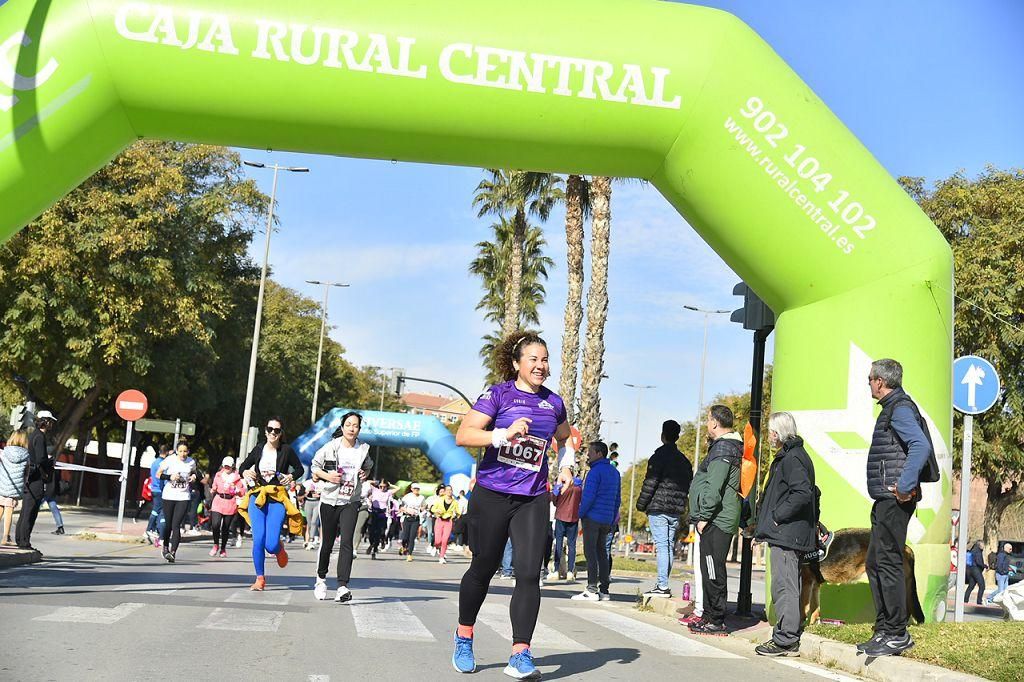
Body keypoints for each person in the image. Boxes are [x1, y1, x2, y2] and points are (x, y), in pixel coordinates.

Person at [451, 332, 574, 679]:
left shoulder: (554, 403)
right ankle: (464, 634)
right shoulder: (498, 394)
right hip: (491, 493)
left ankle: (521, 652)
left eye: (545, 359)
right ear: (518, 363)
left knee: (529, 573)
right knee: (483, 567)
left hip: (532, 497)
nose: (540, 365)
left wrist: (566, 465)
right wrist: (503, 435)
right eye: (533, 359)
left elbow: (565, 440)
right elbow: (465, 434)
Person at [860, 359, 936, 657]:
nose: (868, 383)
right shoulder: (892, 408)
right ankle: (883, 630)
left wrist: (904, 486)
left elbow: (920, 446)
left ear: (881, 381)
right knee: (874, 563)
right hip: (886, 499)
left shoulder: (900, 408)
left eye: (870, 379)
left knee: (888, 562)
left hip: (895, 499)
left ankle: (896, 633)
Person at [753, 412, 817, 657]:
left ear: (778, 433)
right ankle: (786, 635)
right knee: (787, 584)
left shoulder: (792, 458)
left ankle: (786, 640)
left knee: (784, 585)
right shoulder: (792, 456)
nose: (768, 436)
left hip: (787, 532)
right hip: (785, 531)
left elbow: (802, 493)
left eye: (770, 431)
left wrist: (777, 517)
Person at [688, 404, 742, 636]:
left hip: (716, 520)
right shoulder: (724, 447)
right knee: (709, 568)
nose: (707, 424)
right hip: (716, 518)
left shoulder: (723, 450)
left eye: (708, 419)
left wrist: (703, 516)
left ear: (714, 423)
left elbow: (715, 487)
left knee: (713, 570)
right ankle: (709, 615)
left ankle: (716, 619)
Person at [310, 411, 373, 603]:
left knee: (346, 542)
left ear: (359, 429)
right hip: (329, 500)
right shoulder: (331, 447)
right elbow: (314, 466)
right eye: (348, 424)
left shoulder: (363, 449)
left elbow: (369, 466)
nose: (352, 428)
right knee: (327, 543)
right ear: (342, 426)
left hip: (350, 501)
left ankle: (342, 586)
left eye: (355, 425)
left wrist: (365, 473)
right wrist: (328, 477)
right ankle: (321, 580)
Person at [237, 416, 304, 591]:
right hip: (257, 496)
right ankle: (260, 578)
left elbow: (300, 469)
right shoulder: (259, 448)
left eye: (277, 430)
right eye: (270, 429)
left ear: (281, 433)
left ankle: (279, 549)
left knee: (271, 544)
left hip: (277, 497)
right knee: (258, 539)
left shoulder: (286, 450)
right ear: (265, 431)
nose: (273, 433)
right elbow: (243, 467)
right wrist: (245, 473)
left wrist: (291, 477)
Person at [637, 419, 693, 598]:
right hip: (676, 510)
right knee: (668, 547)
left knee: (662, 547)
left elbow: (650, 483)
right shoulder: (684, 461)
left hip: (659, 508)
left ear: (663, 435)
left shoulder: (658, 457)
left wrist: (641, 504)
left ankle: (662, 585)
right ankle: (662, 583)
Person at [572, 442, 621, 602]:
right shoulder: (614, 473)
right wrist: (612, 518)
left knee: (590, 553)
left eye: (591, 452)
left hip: (592, 518)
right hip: (607, 519)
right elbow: (617, 499)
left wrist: (580, 514)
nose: (588, 455)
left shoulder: (594, 472)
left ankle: (591, 589)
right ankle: (604, 590)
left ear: (599, 453)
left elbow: (588, 497)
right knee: (602, 554)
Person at [16, 410, 57, 550]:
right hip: (36, 478)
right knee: (30, 510)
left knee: (26, 509)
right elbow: (40, 458)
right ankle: (24, 541)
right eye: (50, 421)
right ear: (44, 421)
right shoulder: (39, 436)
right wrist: (50, 463)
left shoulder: (34, 435)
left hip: (31, 477)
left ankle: (20, 538)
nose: (51, 424)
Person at [156, 440, 198, 563]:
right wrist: (170, 477)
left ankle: (173, 552)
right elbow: (158, 474)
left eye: (185, 451)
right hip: (169, 495)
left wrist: (193, 477)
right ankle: (165, 548)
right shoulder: (170, 460)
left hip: (183, 496)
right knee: (168, 524)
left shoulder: (191, 462)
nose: (183, 454)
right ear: (176, 451)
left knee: (176, 525)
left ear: (188, 451)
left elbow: (194, 472)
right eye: (180, 451)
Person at [551, 469, 582, 581]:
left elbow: (554, 501)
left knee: (558, 544)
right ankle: (570, 571)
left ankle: (556, 570)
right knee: (572, 545)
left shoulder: (561, 487)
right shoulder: (579, 487)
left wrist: (557, 487)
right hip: (573, 518)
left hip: (560, 517)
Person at [209, 457, 243, 558]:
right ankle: (216, 544)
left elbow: (242, 491)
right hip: (218, 500)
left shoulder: (237, 477)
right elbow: (214, 485)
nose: (227, 468)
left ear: (232, 466)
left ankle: (223, 548)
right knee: (215, 524)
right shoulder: (219, 475)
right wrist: (213, 489)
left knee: (225, 528)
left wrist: (236, 489)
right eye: (225, 466)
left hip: (230, 502)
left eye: (229, 466)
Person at [0, 430, 30, 545]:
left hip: (2, 485)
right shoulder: (26, 456)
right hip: (14, 488)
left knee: (1, 508)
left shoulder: (4, 452)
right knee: (9, 510)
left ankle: (5, 537)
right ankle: (5, 537)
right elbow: (26, 473)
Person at [146, 445, 170, 545]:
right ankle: (150, 528)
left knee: (157, 510)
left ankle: (154, 528)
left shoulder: (154, 462)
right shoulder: (162, 463)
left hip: (154, 488)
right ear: (166, 452)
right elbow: (162, 478)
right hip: (160, 490)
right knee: (157, 510)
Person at [432, 485, 460, 563]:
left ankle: (441, 557)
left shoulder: (454, 502)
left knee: (445, 540)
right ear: (444, 491)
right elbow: (432, 508)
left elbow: (458, 512)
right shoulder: (440, 500)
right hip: (439, 520)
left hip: (448, 522)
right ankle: (436, 547)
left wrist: (456, 515)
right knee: (438, 540)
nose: (449, 491)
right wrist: (437, 510)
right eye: (447, 490)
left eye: (450, 490)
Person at [399, 484, 426, 561]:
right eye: (415, 488)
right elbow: (401, 506)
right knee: (405, 537)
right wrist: (407, 510)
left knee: (412, 537)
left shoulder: (421, 497)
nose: (416, 490)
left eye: (418, 488)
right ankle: (404, 547)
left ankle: (410, 554)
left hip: (416, 519)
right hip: (407, 518)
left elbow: (424, 506)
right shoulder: (407, 497)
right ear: (411, 489)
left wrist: (421, 509)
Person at [367, 479, 392, 558]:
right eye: (381, 486)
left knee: (379, 532)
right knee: (371, 532)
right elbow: (368, 482)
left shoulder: (388, 492)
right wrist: (376, 482)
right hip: (374, 512)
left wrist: (389, 484)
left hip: (382, 514)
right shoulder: (375, 490)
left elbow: (398, 488)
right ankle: (371, 544)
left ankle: (374, 549)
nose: (382, 488)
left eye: (384, 487)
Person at [964, 540, 987, 605]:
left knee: (971, 586)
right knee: (982, 586)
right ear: (979, 545)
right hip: (976, 570)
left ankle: (965, 600)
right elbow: (979, 562)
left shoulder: (972, 550)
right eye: (983, 545)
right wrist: (985, 566)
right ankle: (979, 601)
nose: (983, 546)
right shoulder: (978, 552)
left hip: (970, 570)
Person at [303, 477, 322, 550]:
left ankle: (311, 540)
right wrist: (306, 493)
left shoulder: (322, 484)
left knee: (314, 522)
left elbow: (326, 494)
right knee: (309, 523)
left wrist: (320, 495)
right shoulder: (306, 483)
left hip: (317, 502)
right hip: (308, 502)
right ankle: (308, 540)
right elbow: (299, 496)